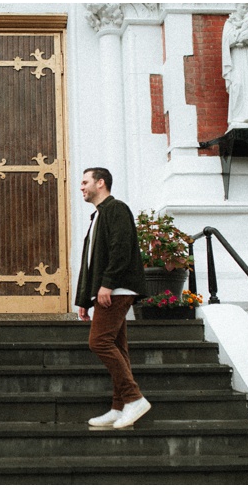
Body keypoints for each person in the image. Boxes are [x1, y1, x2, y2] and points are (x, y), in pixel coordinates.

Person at [76, 167, 151, 429]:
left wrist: (107, 284)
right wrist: (85, 299)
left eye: (85, 182)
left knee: (99, 342)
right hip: (108, 290)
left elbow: (121, 248)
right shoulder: (98, 215)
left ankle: (134, 398)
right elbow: (91, 262)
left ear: (101, 182)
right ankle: (119, 407)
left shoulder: (116, 208)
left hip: (116, 289)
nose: (81, 187)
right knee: (118, 347)